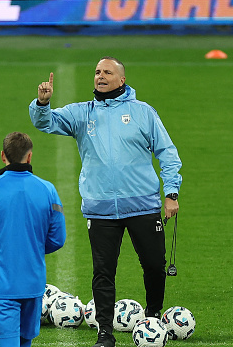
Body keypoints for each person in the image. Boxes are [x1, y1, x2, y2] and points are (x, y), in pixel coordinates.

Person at [29, 57, 182, 347]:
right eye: (97, 72)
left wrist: (171, 193)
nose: (101, 76)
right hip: (100, 210)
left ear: (121, 80)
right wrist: (42, 103)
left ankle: (152, 314)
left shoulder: (143, 113)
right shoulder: (81, 114)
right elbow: (45, 123)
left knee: (153, 266)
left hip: (144, 206)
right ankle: (104, 332)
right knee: (103, 272)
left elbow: (168, 152)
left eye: (107, 72)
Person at [0, 132, 66, 347]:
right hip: (33, 281)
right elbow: (58, 239)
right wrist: (33, 246)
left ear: (3, 156)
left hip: (0, 282)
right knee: (24, 341)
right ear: (29, 157)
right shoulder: (48, 190)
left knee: (9, 342)